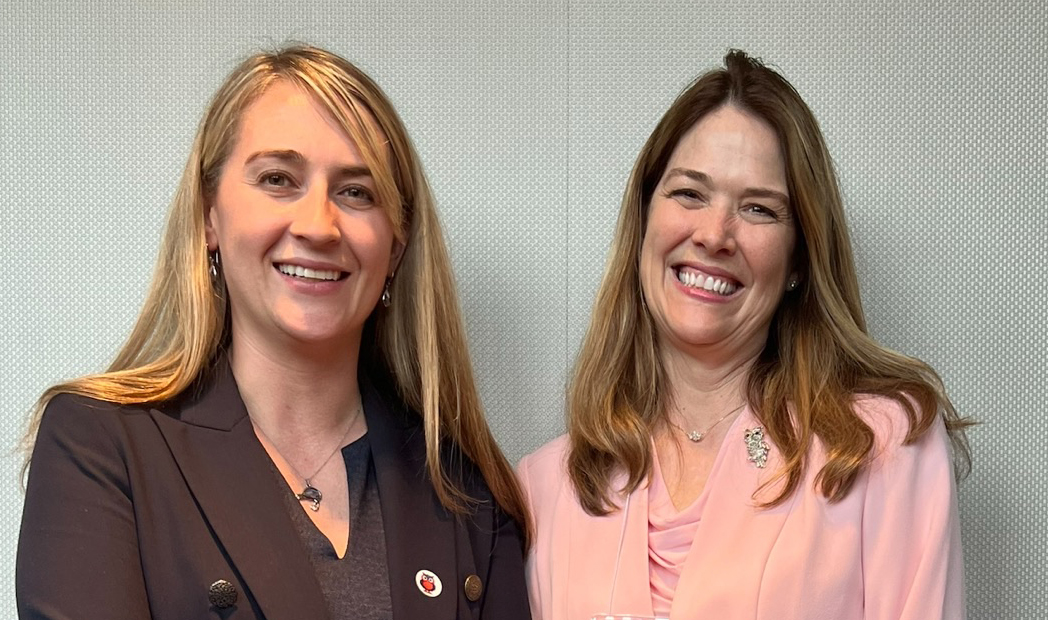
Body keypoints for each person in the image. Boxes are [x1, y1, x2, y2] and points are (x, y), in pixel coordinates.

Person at [17, 44, 531, 620]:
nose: (318, 225)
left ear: (397, 245)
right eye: (278, 179)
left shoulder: (464, 488)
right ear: (209, 215)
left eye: (356, 192)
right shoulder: (100, 446)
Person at [518, 50, 970, 620]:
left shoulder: (881, 448)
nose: (714, 234)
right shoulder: (543, 489)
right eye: (688, 193)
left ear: (800, 260)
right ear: (643, 221)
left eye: (758, 209)